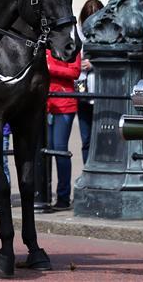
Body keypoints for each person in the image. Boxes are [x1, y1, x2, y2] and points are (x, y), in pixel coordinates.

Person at [45, 47, 81, 211]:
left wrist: (51, 69)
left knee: (60, 151)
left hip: (64, 103)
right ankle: (44, 194)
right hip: (45, 104)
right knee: (46, 151)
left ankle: (63, 197)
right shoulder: (44, 46)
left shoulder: (71, 48)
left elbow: (75, 72)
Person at [74, 0, 103, 164]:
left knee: (101, 138)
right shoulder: (77, 34)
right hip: (82, 91)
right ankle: (87, 169)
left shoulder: (108, 33)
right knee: (86, 139)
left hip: (100, 91)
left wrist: (94, 64)